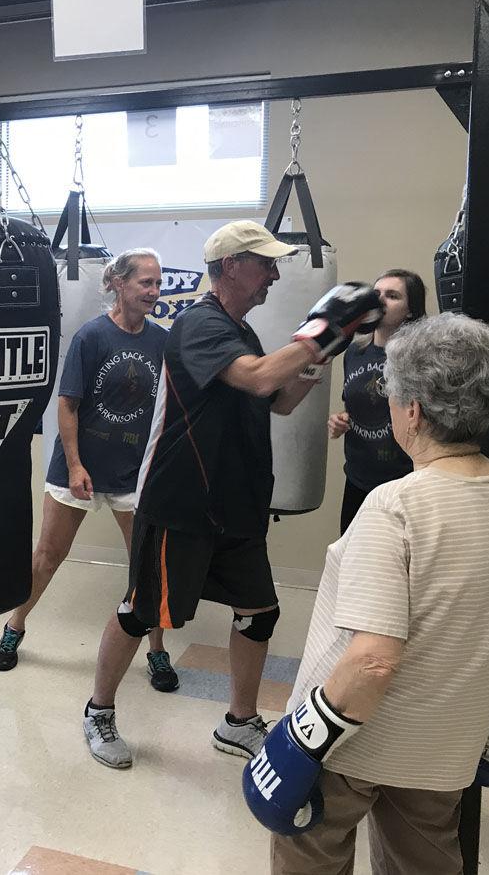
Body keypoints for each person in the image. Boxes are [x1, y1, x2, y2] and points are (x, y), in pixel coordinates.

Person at [247, 313, 489, 875]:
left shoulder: (396, 506)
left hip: (353, 747)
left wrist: (300, 743)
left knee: (310, 855)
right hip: (447, 747)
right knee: (425, 862)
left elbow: (373, 660)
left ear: (412, 410)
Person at [80, 220, 381, 769]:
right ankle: (99, 710)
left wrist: (322, 353)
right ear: (229, 266)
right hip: (181, 502)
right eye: (264, 264)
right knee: (142, 611)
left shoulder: (243, 333)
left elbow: (278, 401)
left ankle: (238, 722)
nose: (273, 275)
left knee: (259, 613)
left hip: (236, 503)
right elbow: (260, 379)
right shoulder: (199, 324)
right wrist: (318, 332)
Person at [0, 249, 180, 691]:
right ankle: (15, 625)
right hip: (79, 466)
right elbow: (67, 405)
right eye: (145, 283)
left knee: (147, 568)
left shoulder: (161, 342)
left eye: (158, 284)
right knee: (47, 556)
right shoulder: (91, 337)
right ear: (118, 283)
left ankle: (156, 650)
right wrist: (76, 465)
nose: (154, 292)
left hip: (133, 473)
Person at [326, 269, 427, 533]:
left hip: (403, 483)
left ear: (410, 311)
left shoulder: (419, 359)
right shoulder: (354, 352)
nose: (380, 300)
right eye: (376, 293)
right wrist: (340, 420)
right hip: (358, 479)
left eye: (392, 296)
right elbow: (357, 405)